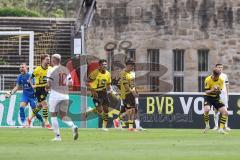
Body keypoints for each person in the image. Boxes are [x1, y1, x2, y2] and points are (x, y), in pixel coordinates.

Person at [46, 54, 78, 141]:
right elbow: (71, 84)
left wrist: (46, 87)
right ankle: (73, 126)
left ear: (53, 60)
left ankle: (57, 137)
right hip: (65, 95)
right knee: (64, 115)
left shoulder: (51, 70)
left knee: (53, 115)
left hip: (55, 95)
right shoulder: (66, 70)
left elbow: (49, 84)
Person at [87, 59, 112, 131]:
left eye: (105, 64)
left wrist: (111, 90)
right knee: (100, 111)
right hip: (96, 92)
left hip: (104, 92)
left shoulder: (108, 73)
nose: (105, 66)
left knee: (106, 109)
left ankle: (104, 127)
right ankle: (90, 110)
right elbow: (87, 82)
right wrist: (92, 91)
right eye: (103, 64)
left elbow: (108, 84)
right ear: (100, 65)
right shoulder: (95, 73)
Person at [28, 54, 51, 129]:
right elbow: (30, 79)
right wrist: (32, 86)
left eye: (49, 59)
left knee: (39, 106)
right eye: (47, 59)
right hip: (39, 89)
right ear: (42, 60)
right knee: (45, 105)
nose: (49, 61)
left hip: (45, 89)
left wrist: (49, 85)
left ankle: (29, 119)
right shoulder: (37, 69)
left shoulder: (50, 69)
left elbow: (52, 79)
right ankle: (46, 122)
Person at [203, 68, 229, 134]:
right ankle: (207, 126)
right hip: (208, 97)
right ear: (213, 75)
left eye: (218, 76)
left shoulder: (221, 80)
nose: (216, 78)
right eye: (215, 77)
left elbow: (220, 92)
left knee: (225, 113)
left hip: (216, 98)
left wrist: (218, 90)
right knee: (207, 110)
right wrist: (212, 90)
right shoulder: (208, 79)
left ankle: (221, 129)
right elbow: (206, 92)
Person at [119, 59, 138, 131]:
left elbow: (132, 84)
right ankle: (118, 119)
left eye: (133, 65)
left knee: (132, 111)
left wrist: (135, 91)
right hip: (126, 94)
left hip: (131, 94)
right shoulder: (123, 73)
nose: (133, 67)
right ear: (128, 65)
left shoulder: (130, 73)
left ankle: (130, 127)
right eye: (132, 65)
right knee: (131, 110)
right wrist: (132, 92)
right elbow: (125, 85)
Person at [213, 63, 231, 131]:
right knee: (215, 110)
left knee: (225, 109)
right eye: (219, 67)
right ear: (216, 68)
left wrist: (227, 95)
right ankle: (216, 126)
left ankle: (225, 126)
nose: (220, 68)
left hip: (224, 94)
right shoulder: (213, 76)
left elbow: (227, 86)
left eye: (221, 67)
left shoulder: (224, 76)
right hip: (216, 95)